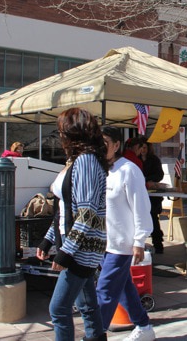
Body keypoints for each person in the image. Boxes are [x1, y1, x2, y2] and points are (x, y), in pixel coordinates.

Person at [35, 108, 109, 341]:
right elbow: (64, 211)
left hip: (81, 250)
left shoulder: (86, 161)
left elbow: (86, 214)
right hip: (79, 246)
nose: (60, 136)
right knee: (87, 305)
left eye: (62, 131)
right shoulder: (78, 160)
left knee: (58, 309)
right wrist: (48, 240)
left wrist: (66, 252)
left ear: (73, 134)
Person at [97, 126, 156, 341]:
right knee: (123, 288)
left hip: (122, 245)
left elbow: (141, 207)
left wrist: (140, 240)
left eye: (104, 142)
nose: (100, 147)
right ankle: (143, 326)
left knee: (105, 291)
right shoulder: (100, 171)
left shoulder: (129, 170)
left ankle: (95, 334)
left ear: (116, 145)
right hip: (102, 243)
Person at [141, 141, 165, 254]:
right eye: (141, 147)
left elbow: (160, 174)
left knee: (153, 219)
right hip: (141, 193)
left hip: (152, 195)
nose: (143, 150)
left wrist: (148, 179)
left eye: (145, 147)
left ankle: (158, 244)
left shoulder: (154, 159)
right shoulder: (136, 159)